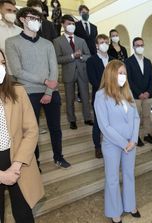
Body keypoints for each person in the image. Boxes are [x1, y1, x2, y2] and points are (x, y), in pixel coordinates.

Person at [5, 7, 71, 169]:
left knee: (55, 128)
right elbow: (18, 70)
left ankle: (58, 157)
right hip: (28, 92)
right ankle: (34, 162)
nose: (36, 21)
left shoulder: (47, 44)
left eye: (38, 19)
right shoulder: (12, 42)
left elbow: (54, 68)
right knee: (30, 131)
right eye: (32, 17)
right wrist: (44, 81)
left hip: (51, 92)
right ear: (22, 19)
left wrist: (49, 90)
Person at [0, 49, 44, 223]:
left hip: (18, 159)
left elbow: (31, 130)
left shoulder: (17, 91)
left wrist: (15, 167)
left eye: (2, 63)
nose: (0, 68)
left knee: (24, 214)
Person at [94, 60, 141, 223]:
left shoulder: (127, 92)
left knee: (129, 174)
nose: (123, 76)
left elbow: (136, 117)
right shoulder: (101, 96)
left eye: (124, 73)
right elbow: (104, 126)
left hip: (131, 143)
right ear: (111, 74)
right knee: (112, 178)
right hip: (112, 144)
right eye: (120, 73)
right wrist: (123, 143)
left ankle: (130, 205)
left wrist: (134, 139)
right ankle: (114, 211)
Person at [53, 14, 93, 130]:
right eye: (68, 24)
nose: (71, 26)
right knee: (69, 98)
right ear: (63, 25)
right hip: (68, 72)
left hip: (82, 71)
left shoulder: (81, 40)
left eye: (73, 24)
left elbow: (89, 55)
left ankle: (87, 117)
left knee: (85, 96)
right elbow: (57, 59)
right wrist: (72, 56)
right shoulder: (57, 41)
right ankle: (72, 120)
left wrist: (81, 57)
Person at [125, 37, 152, 147]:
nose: (140, 47)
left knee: (147, 116)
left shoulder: (148, 61)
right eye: (137, 45)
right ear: (133, 47)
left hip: (148, 95)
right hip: (135, 96)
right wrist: (139, 93)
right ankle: (135, 136)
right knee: (135, 117)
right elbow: (129, 79)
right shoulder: (128, 61)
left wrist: (148, 92)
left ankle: (147, 134)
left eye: (142, 45)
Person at [86, 34, 113, 158]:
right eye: (101, 42)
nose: (104, 44)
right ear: (96, 45)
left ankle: (112, 143)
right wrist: (107, 88)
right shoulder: (91, 60)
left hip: (114, 97)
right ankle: (97, 147)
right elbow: (93, 80)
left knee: (112, 122)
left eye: (106, 42)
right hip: (100, 97)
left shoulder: (113, 60)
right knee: (98, 123)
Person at [0, 0, 21, 74]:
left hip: (20, 74)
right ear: (0, 10)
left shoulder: (21, 31)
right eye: (8, 10)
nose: (12, 13)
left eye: (14, 11)